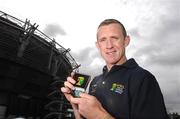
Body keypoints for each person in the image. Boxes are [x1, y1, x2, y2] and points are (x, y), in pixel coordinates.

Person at [61, 19, 169, 119]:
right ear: (98, 45)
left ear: (126, 41)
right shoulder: (95, 81)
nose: (109, 46)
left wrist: (100, 116)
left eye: (115, 38)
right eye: (103, 40)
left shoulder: (143, 78)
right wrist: (75, 104)